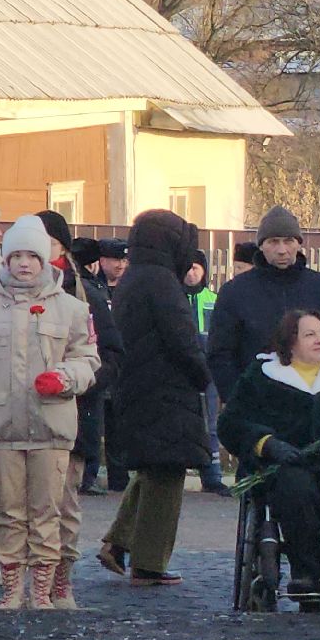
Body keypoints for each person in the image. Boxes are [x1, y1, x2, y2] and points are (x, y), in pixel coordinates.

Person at [218, 311, 320, 610]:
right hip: (285, 460)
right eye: (309, 335)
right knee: (294, 486)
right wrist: (266, 443)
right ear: (290, 343)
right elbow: (231, 423)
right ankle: (304, 571)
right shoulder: (262, 376)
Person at [95, 211, 211, 588]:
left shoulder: (133, 278)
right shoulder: (162, 282)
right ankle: (148, 564)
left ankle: (117, 541)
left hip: (138, 388)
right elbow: (182, 339)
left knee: (152, 469)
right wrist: (202, 376)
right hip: (166, 392)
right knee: (168, 473)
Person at [0, 216, 100, 610]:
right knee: (7, 512)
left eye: (31, 256)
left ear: (45, 259)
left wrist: (65, 377)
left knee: (46, 513)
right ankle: (11, 591)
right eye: (16, 255)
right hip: (2, 428)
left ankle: (42, 592)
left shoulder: (72, 309)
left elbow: (88, 358)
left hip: (50, 426)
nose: (23, 263)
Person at [207, 206, 320, 399]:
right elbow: (220, 353)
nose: (282, 250)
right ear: (261, 245)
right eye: (273, 242)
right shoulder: (235, 292)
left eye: (288, 241)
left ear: (298, 244)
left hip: (314, 400)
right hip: (257, 403)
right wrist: (237, 400)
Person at [182, 251, 229, 495]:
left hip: (208, 369)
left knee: (210, 424)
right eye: (188, 269)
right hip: (181, 369)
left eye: (196, 269)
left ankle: (212, 475)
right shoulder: (175, 298)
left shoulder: (214, 299)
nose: (192, 274)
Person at [96, 236, 131, 491]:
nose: (120, 264)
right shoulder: (94, 290)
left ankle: (119, 478)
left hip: (125, 366)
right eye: (114, 259)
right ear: (102, 260)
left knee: (120, 427)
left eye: (123, 259)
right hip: (99, 363)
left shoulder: (131, 288)